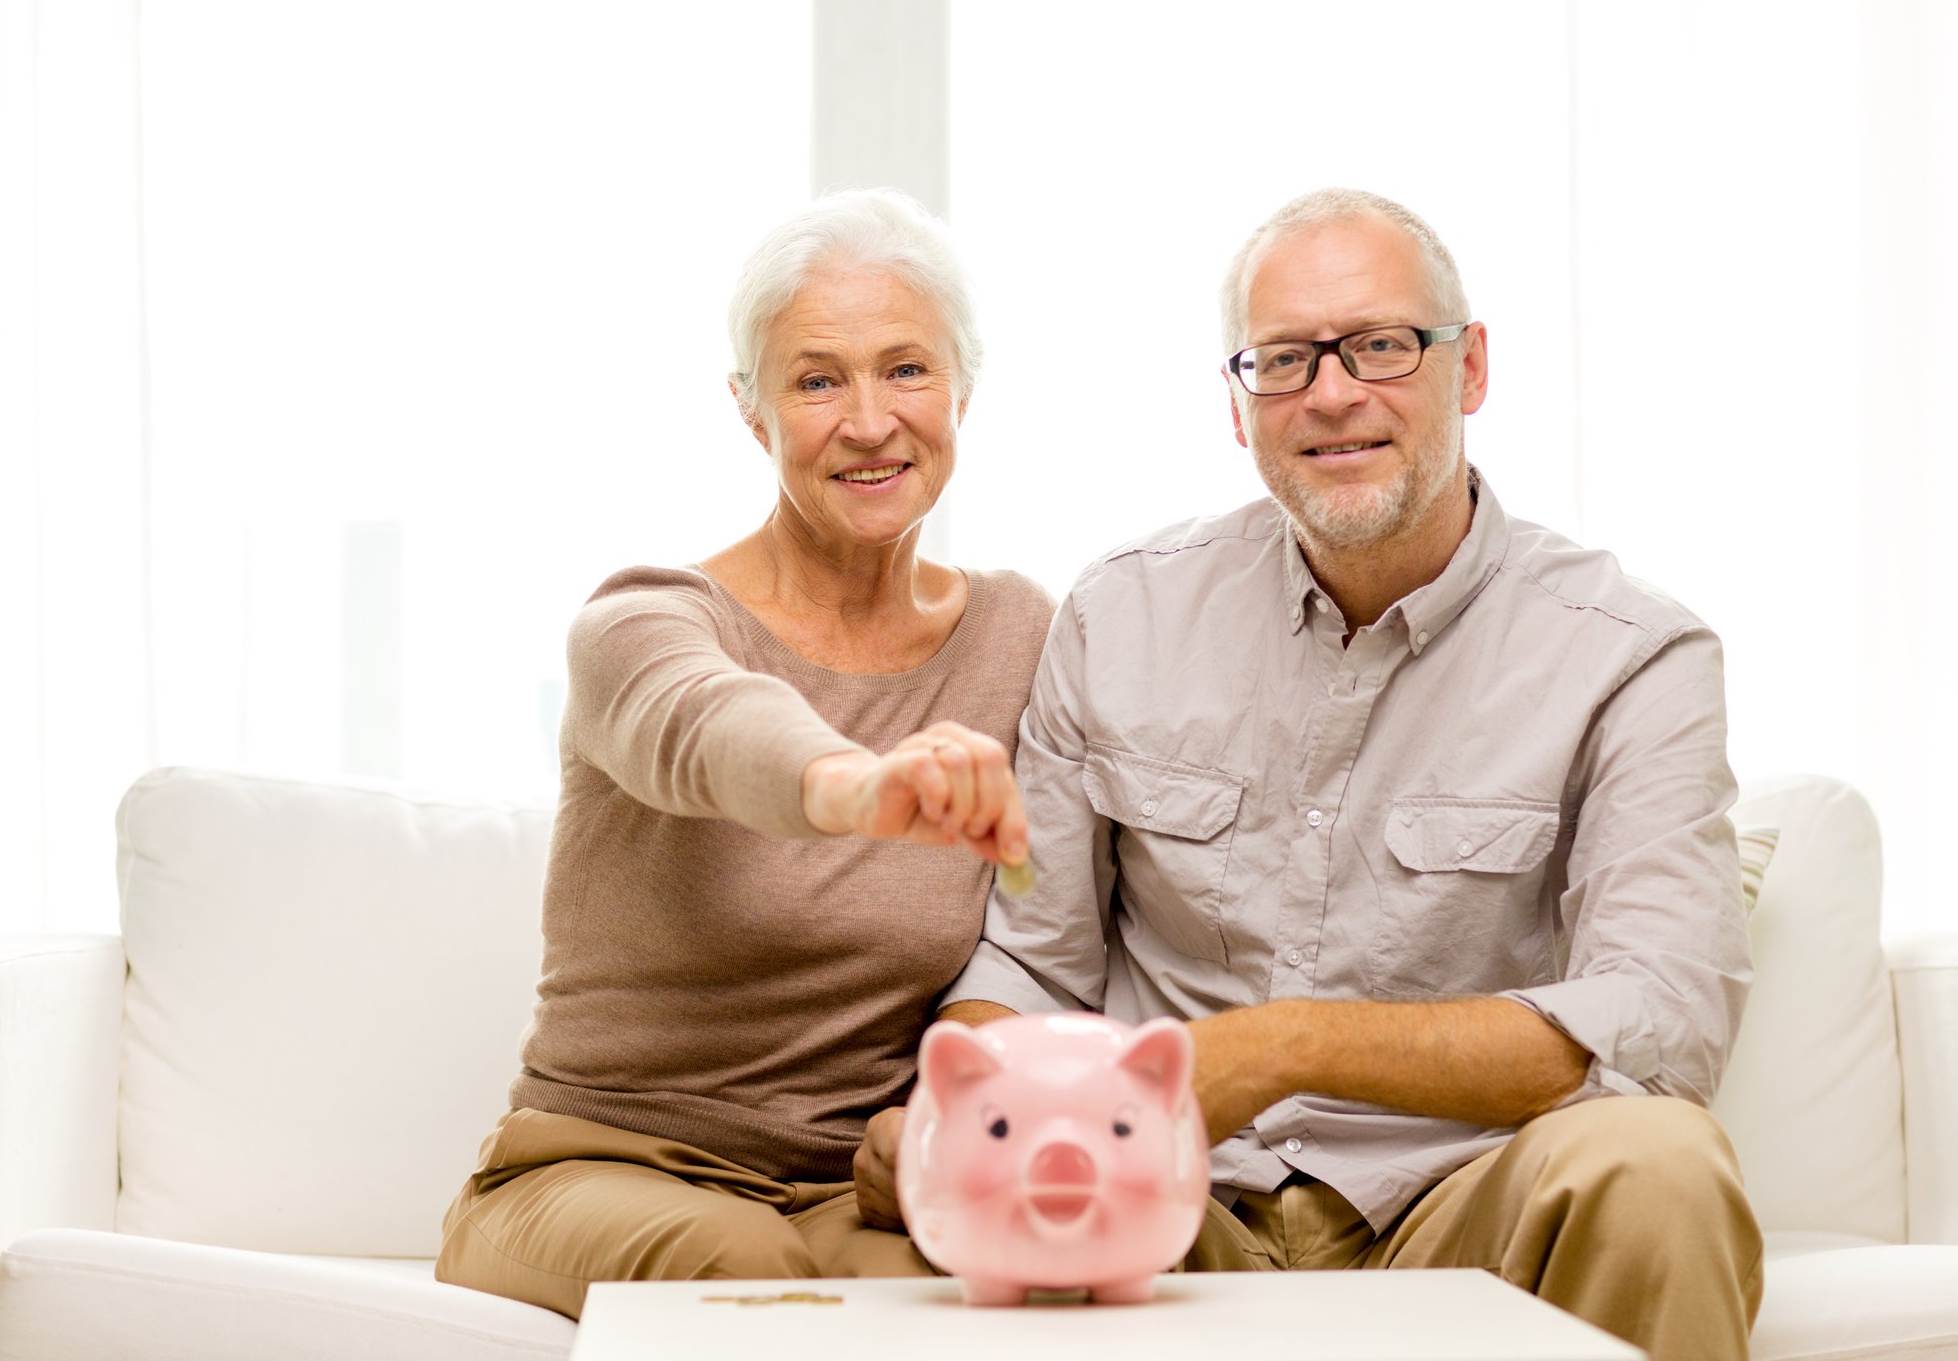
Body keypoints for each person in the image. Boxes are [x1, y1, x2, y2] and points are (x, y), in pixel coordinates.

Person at [861, 189, 1760, 1361]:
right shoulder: (1120, 612)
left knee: (1660, 1163)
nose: (1331, 394)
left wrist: (1285, 1045)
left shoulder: (1630, 651)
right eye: (1282, 360)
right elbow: (1035, 955)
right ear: (1237, 407)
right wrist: (960, 1105)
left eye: (1382, 346)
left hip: (1462, 1197)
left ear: (1470, 367)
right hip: (1164, 1206)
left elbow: (1658, 1020)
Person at [436, 189, 1054, 1318]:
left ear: (963, 385)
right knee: (748, 1277)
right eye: (818, 380)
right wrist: (855, 784)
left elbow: (1048, 927)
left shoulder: (1021, 635)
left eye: (905, 370)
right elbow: (708, 724)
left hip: (846, 1191)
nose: (869, 422)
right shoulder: (646, 620)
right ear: (751, 410)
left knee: (996, 1285)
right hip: (595, 1167)